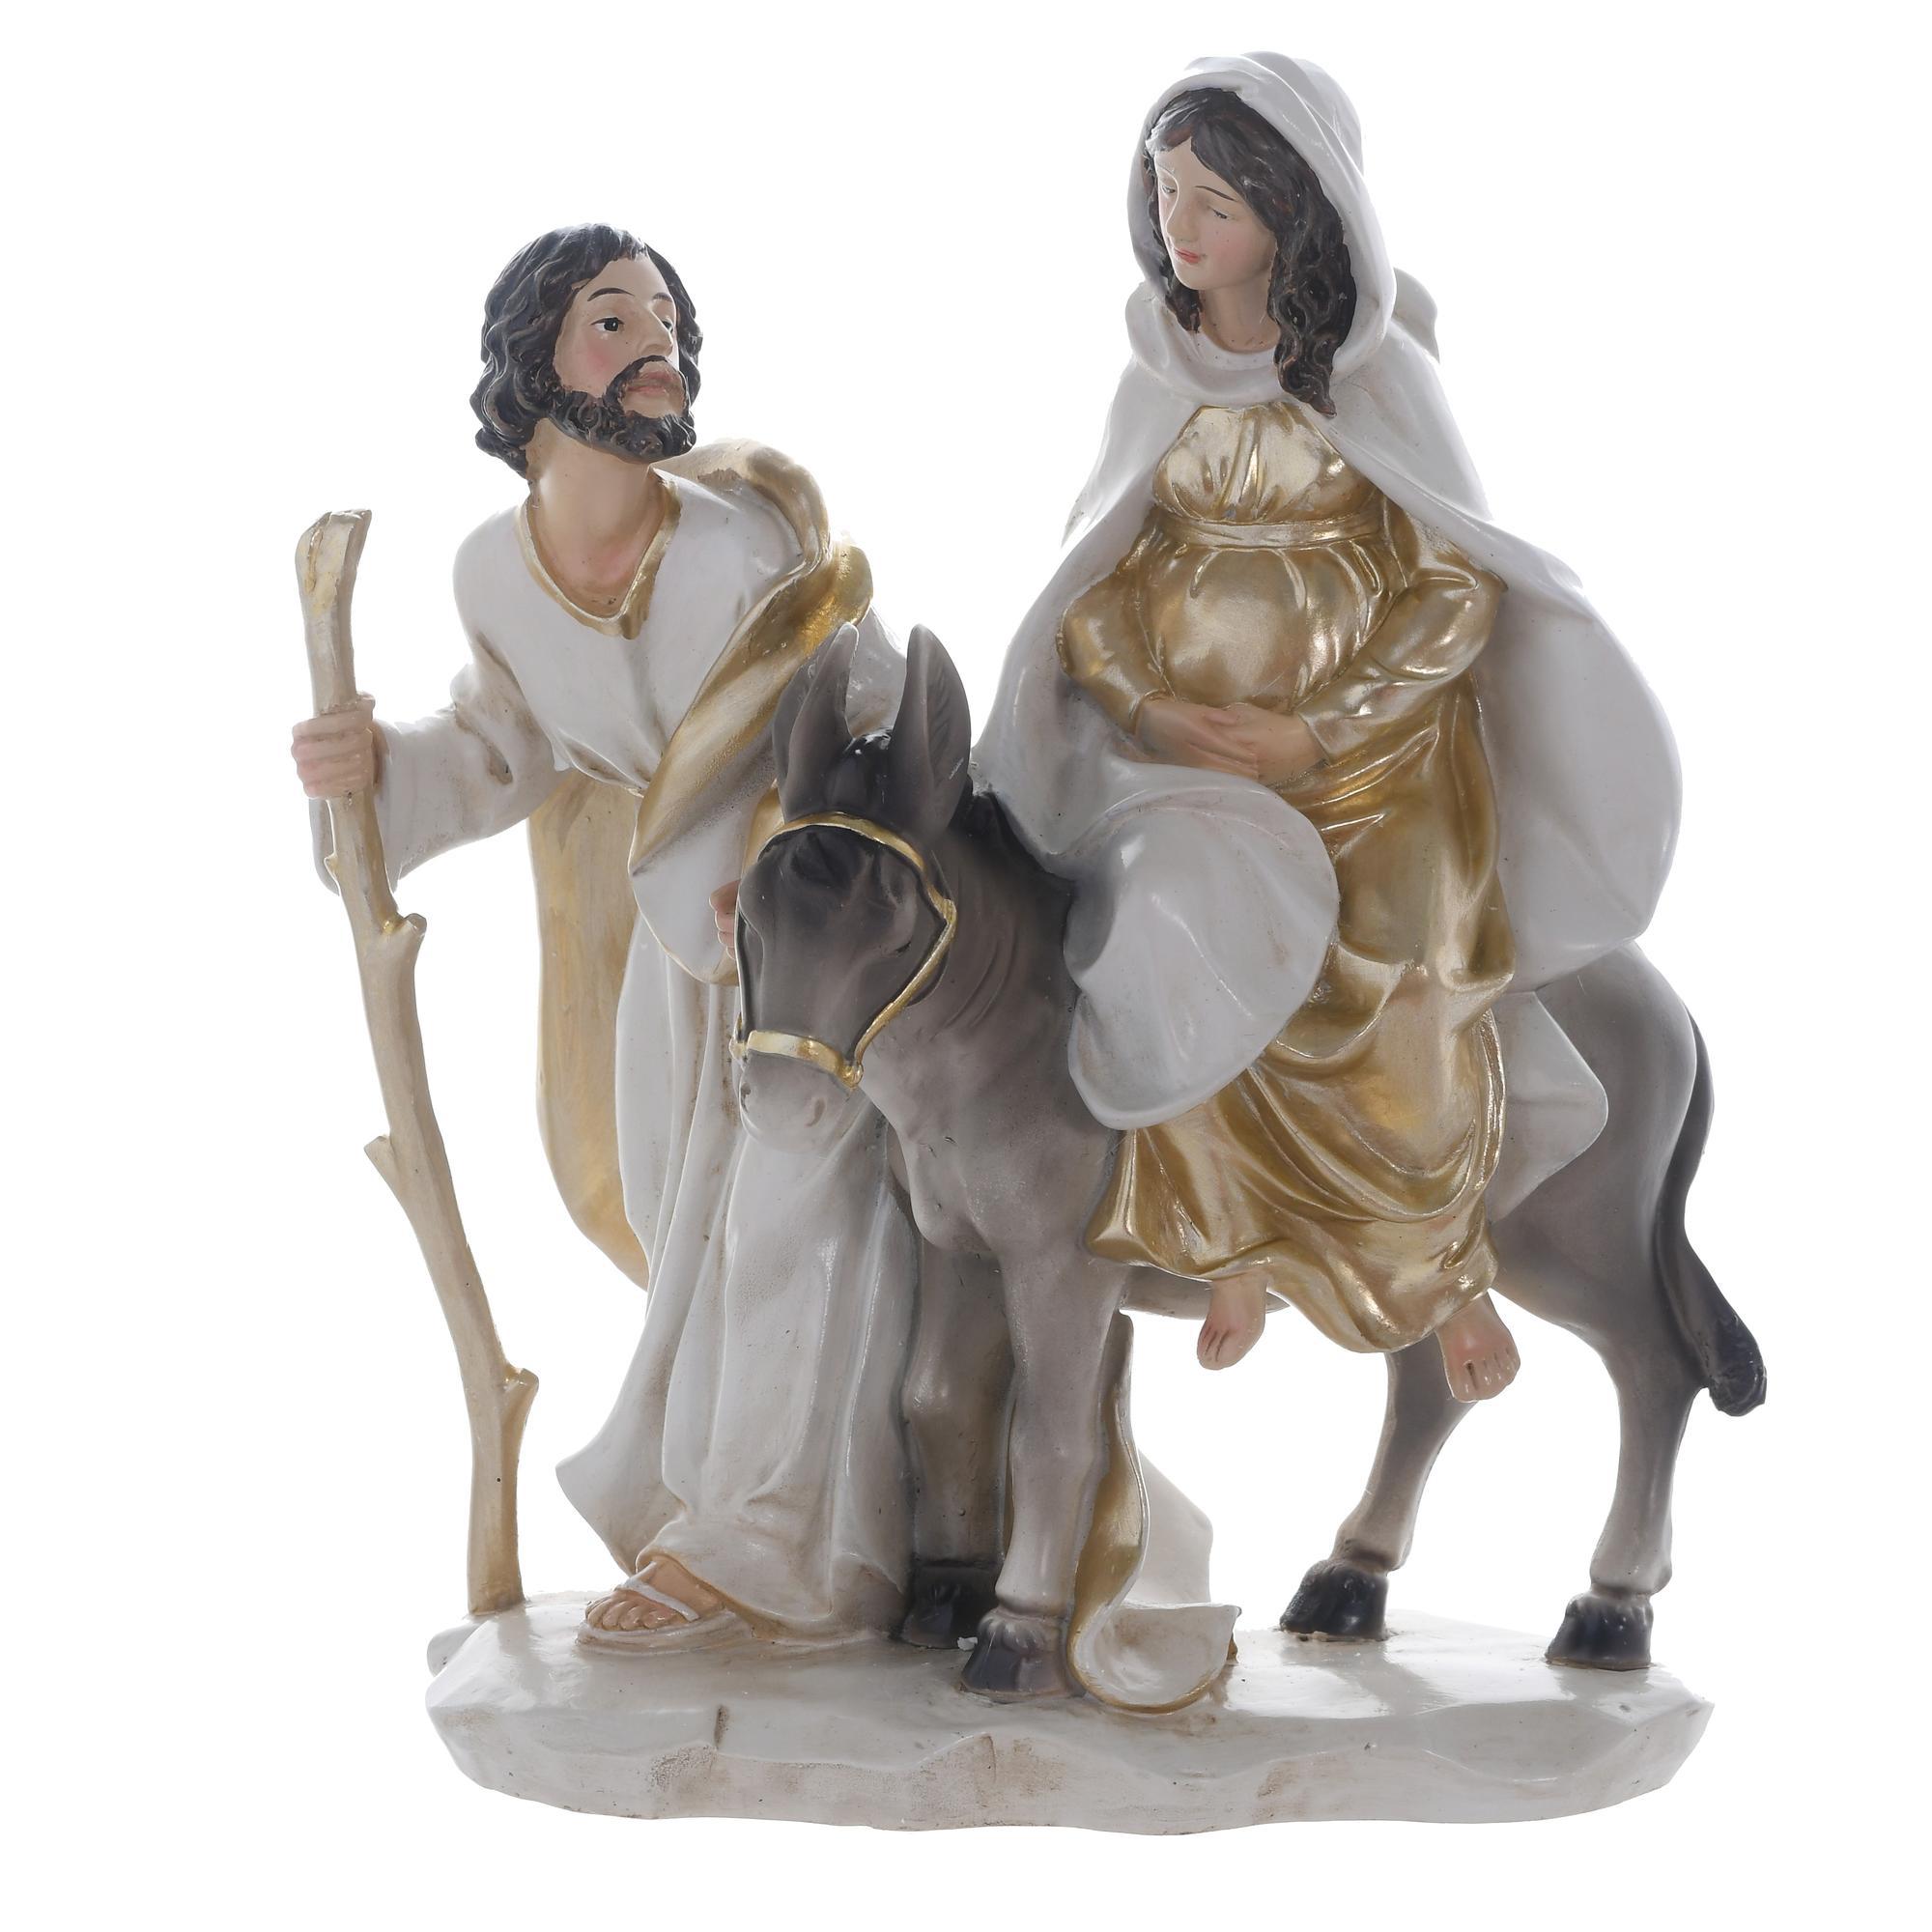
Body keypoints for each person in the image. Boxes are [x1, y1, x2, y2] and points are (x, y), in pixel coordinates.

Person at [976, 56, 1679, 1398]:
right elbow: (1097, 578)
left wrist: (1324, 731)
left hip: (1379, 771)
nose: (1182, 225)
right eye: (1165, 191)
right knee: (1165, 936)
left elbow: (1455, 582)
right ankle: (1227, 1238)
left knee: (1400, 976)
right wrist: (1146, 702)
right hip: (1187, 771)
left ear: (1294, 212)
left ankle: (1439, 1272)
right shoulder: (1155, 375)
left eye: (1217, 202)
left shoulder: (1380, 376)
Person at [292, 224, 915, 1646]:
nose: (657, 348)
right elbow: (501, 752)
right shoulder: (493, 575)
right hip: (666, 953)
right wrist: (371, 774)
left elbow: (871, 713)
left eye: (668, 323)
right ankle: (805, 1514)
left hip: (809, 960)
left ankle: (755, 1547)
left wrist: (795, 853)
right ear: (534, 366)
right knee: (654, 1210)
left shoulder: (742, 547)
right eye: (615, 321)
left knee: (792, 1206)